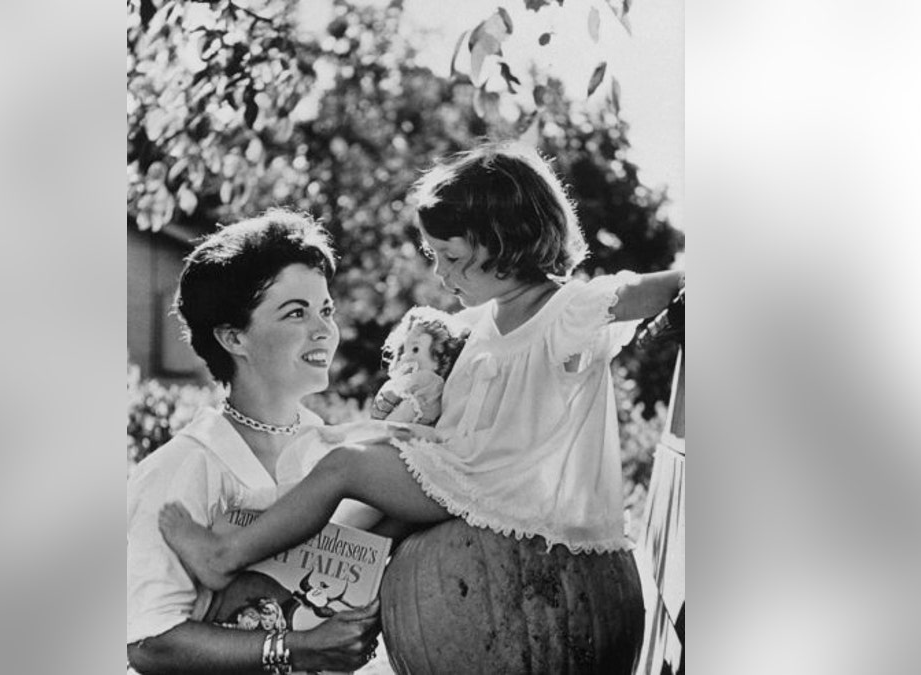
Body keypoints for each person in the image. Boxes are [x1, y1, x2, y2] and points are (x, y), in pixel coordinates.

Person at [157, 141, 685, 593]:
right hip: (471, 477)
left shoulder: (566, 311)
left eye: (452, 258)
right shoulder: (483, 320)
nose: (440, 273)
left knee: (346, 468)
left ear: (510, 242)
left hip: (512, 495)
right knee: (370, 502)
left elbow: (663, 286)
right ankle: (307, 599)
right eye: (434, 256)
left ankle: (225, 556)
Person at [126, 210, 381, 674]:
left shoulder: (338, 455)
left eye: (325, 310)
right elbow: (147, 642)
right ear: (233, 337)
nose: (323, 329)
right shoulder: (182, 470)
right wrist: (293, 646)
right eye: (295, 313)